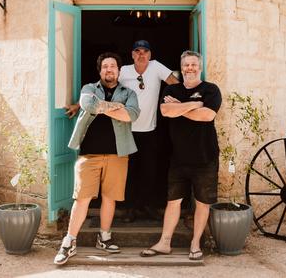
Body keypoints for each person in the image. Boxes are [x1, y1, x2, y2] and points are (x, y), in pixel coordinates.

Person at [53, 52, 140, 265]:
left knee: (110, 198)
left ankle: (104, 237)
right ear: (100, 71)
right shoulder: (89, 89)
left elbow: (132, 115)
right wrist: (116, 108)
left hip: (118, 153)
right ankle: (69, 241)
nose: (109, 69)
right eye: (105, 67)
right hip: (89, 153)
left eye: (113, 66)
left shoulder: (129, 92)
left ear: (119, 71)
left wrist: (104, 108)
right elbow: (88, 105)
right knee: (81, 198)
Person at [140, 50, 222, 261]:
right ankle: (164, 243)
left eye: (194, 64)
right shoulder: (172, 88)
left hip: (205, 157)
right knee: (173, 201)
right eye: (186, 65)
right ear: (182, 67)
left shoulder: (211, 89)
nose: (190, 68)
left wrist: (180, 107)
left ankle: (195, 244)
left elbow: (207, 115)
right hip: (179, 158)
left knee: (202, 202)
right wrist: (194, 104)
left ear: (200, 67)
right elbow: (166, 111)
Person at [118, 40, 179, 221]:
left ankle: (148, 206)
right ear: (132, 54)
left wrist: (180, 102)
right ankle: (130, 208)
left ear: (150, 54)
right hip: (127, 130)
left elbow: (174, 83)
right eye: (137, 51)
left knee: (150, 171)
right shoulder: (124, 71)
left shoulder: (155, 67)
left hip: (150, 130)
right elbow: (106, 85)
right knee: (130, 171)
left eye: (145, 51)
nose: (141, 54)